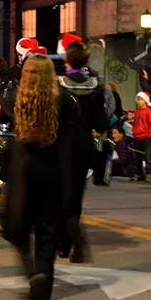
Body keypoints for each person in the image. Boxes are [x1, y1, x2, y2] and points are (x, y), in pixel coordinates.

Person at [1, 54, 77, 300]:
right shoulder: (65, 100)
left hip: (23, 169)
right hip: (54, 169)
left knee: (18, 226)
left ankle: (31, 269)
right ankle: (43, 273)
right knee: (48, 228)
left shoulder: (14, 99)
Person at [55, 36, 109, 263]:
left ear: (67, 59)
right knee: (76, 195)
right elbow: (102, 121)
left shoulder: (58, 85)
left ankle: (72, 242)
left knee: (60, 195)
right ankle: (69, 241)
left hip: (63, 144)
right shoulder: (96, 85)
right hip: (85, 144)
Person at [131, 92, 151, 182]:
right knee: (137, 157)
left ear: (145, 101)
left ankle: (149, 174)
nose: (139, 101)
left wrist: (149, 135)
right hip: (137, 137)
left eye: (141, 99)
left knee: (148, 157)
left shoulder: (149, 112)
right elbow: (135, 124)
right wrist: (134, 132)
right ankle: (138, 173)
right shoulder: (137, 112)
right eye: (138, 99)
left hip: (145, 137)